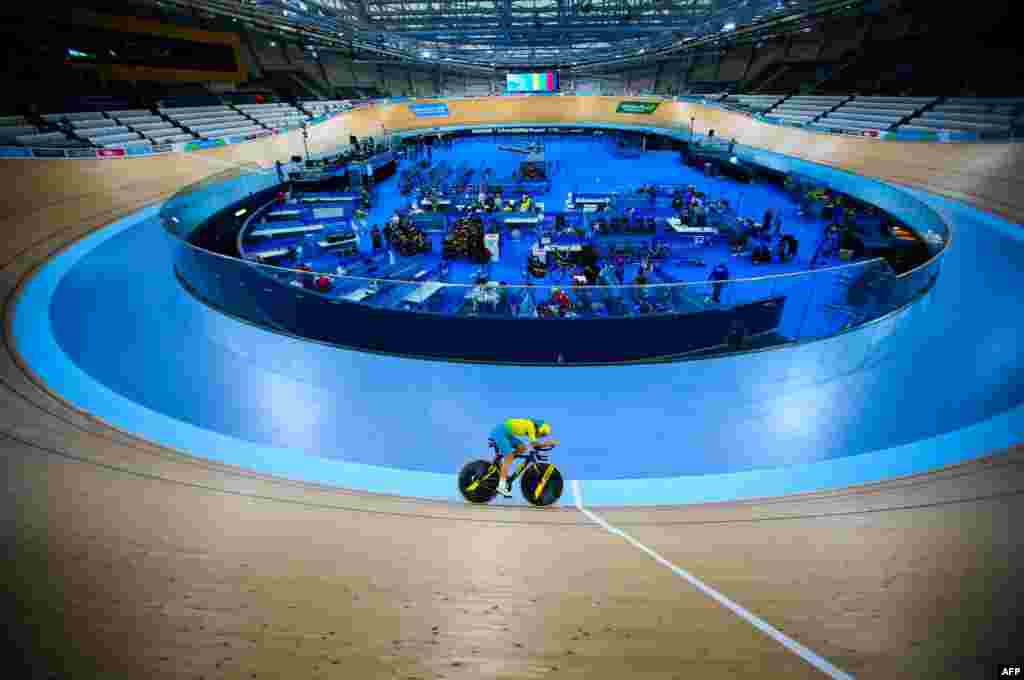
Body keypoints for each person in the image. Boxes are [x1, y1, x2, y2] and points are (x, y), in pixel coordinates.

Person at [490, 419, 553, 497]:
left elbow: (533, 444)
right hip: (500, 433)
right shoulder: (530, 426)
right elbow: (534, 444)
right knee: (509, 457)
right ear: (541, 429)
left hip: (506, 433)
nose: (541, 436)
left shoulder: (531, 427)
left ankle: (508, 460)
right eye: (543, 434)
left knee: (522, 448)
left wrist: (544, 445)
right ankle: (501, 486)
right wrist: (547, 444)